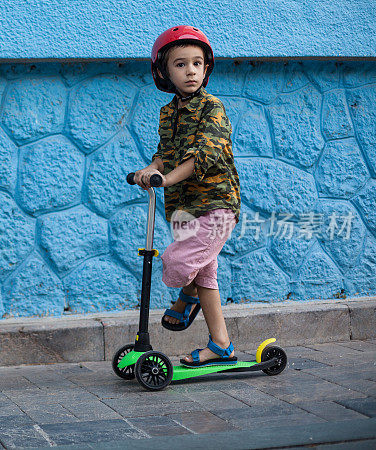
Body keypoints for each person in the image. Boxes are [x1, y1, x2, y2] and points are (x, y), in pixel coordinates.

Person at [132, 26, 241, 368]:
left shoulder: (213, 108)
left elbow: (200, 158)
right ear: (164, 72)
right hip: (184, 211)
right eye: (180, 64)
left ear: (206, 68)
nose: (191, 70)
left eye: (197, 63)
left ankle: (185, 301)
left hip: (216, 206)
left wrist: (164, 179)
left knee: (178, 264)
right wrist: (148, 170)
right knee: (205, 275)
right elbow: (164, 154)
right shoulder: (167, 113)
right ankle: (221, 345)